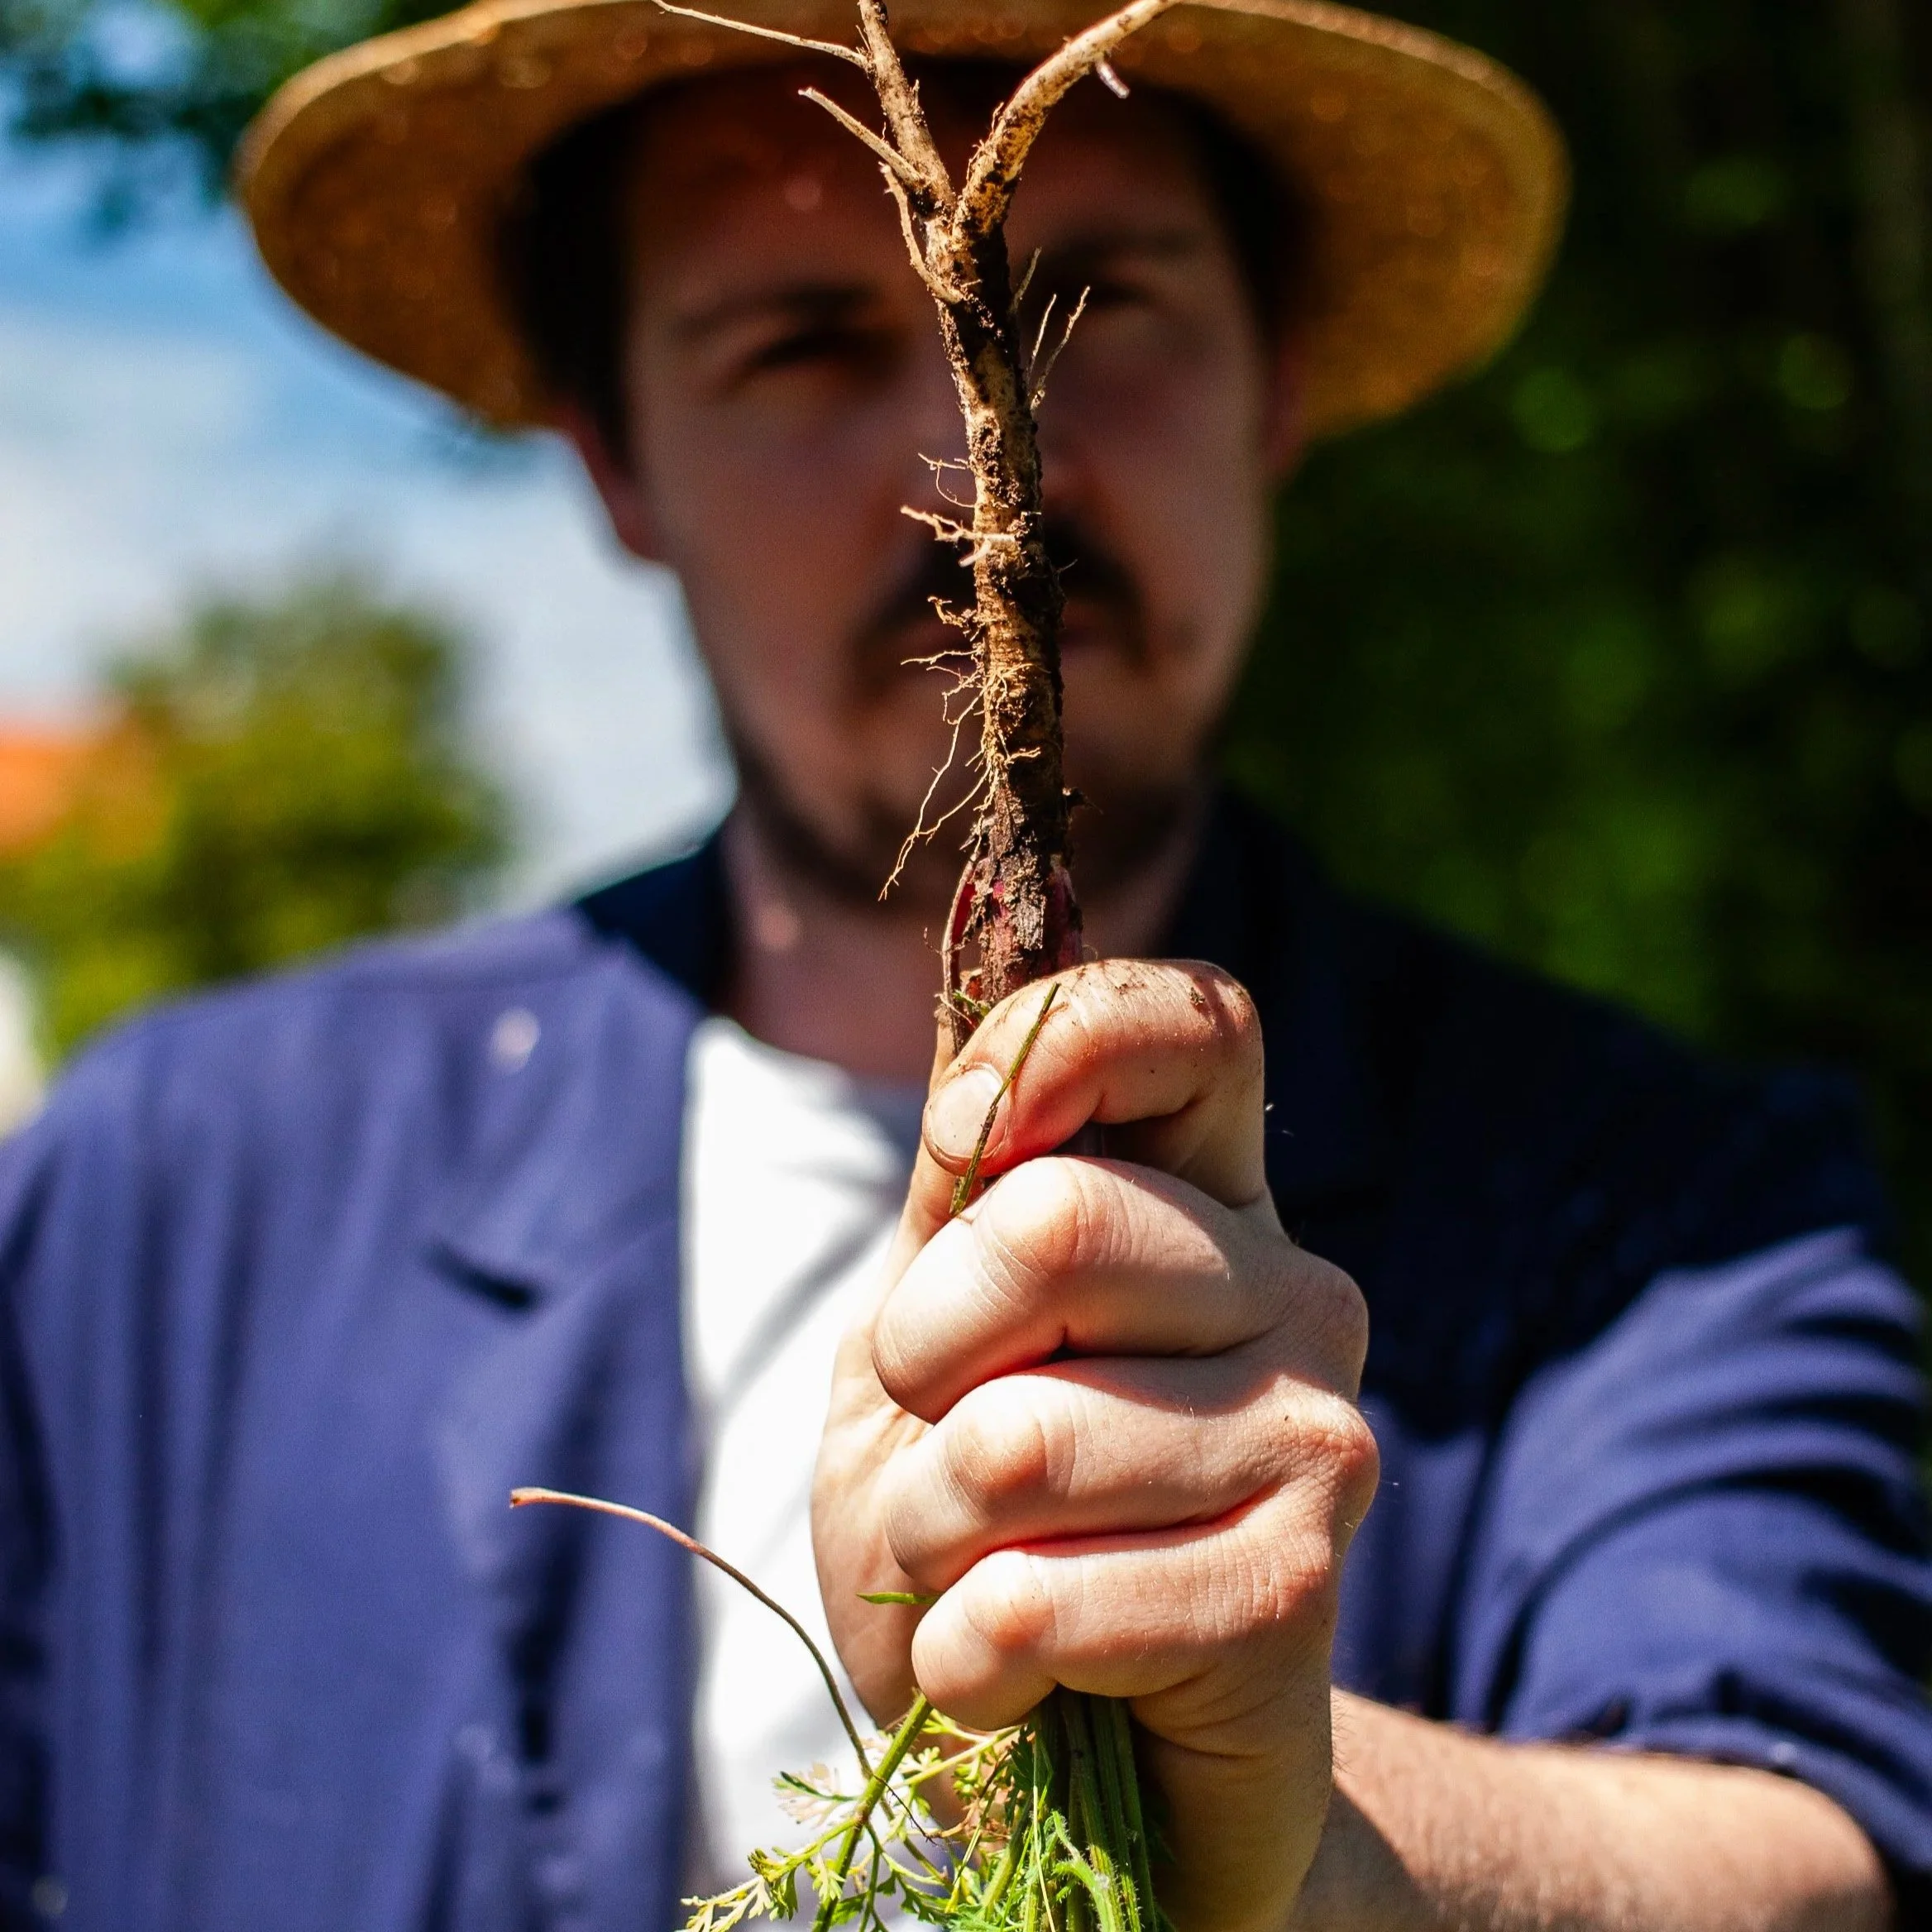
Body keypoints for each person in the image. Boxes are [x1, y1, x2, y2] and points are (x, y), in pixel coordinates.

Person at [4, 1, 1930, 1927]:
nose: (979, 443)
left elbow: (1809, 1843)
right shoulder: (173, 1198)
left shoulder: (1661, 1201)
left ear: (1273, 389)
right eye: (803, 341)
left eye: (1102, 302)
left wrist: (1286, 1828)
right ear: (616, 463)